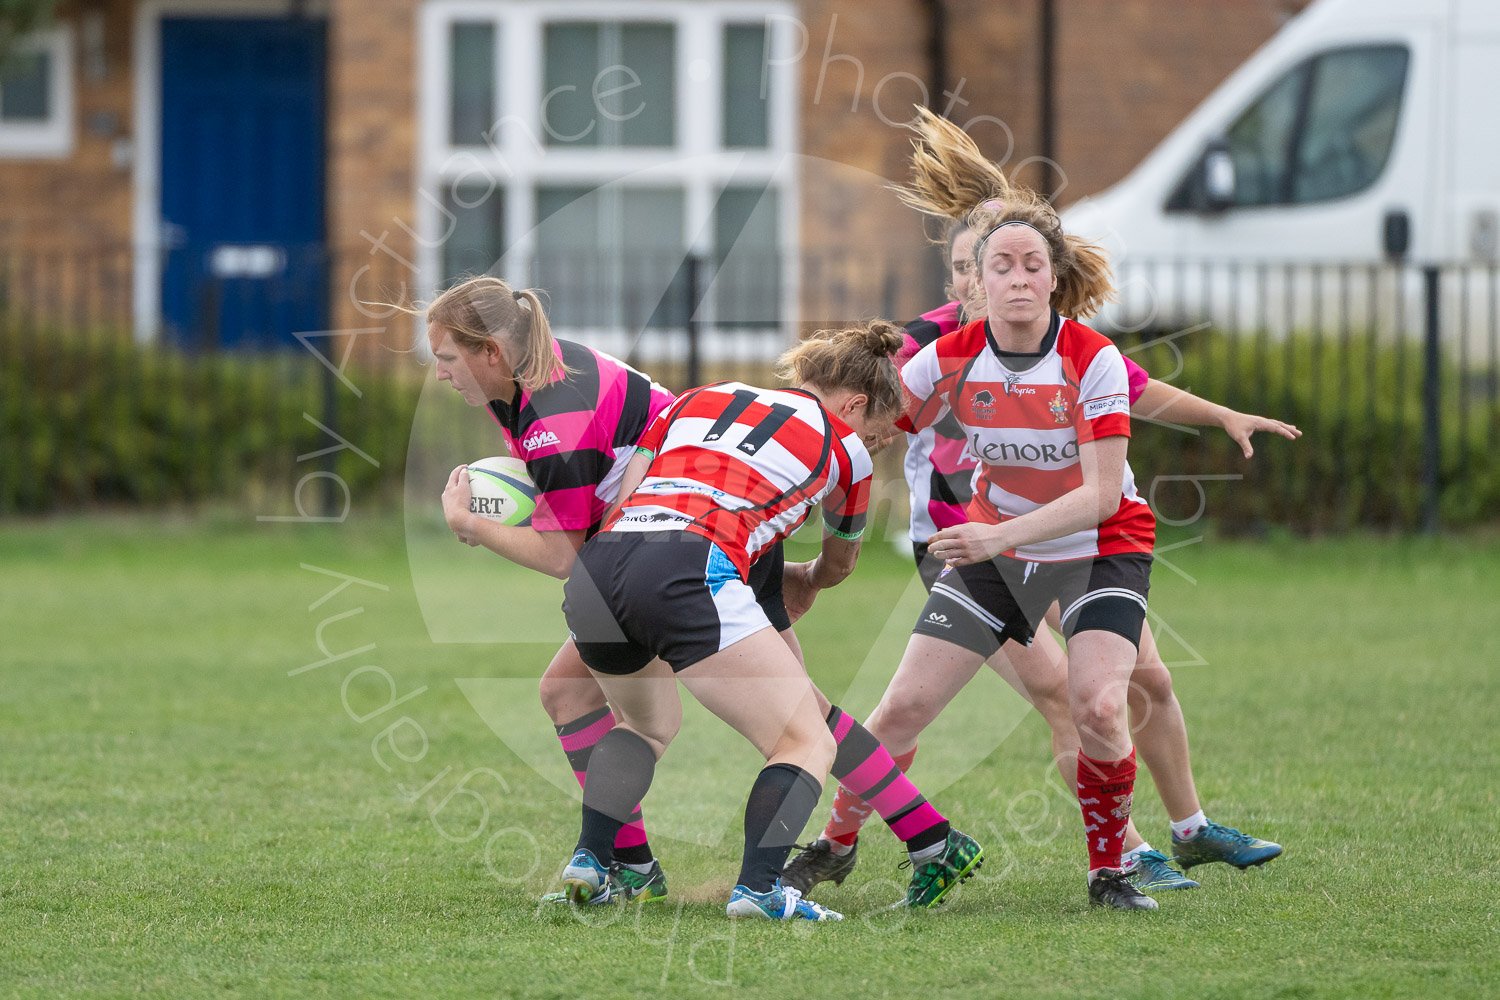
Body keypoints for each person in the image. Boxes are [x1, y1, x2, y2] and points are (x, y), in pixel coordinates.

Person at [786, 111, 1293, 904]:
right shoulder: (931, 352)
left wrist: (1221, 414)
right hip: (973, 546)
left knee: (1130, 690)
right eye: (991, 265)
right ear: (970, 280)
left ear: (1051, 275)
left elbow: (1110, 469)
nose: (1012, 279)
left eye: (1029, 264)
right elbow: (858, 425)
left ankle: (1163, 844)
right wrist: (748, 486)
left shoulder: (1086, 355)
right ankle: (844, 839)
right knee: (1000, 700)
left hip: (1072, 541)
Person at [554, 323, 983, 922]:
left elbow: (629, 492)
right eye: (877, 434)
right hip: (693, 561)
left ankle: (591, 862)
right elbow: (838, 566)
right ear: (854, 405)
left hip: (600, 568)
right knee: (806, 737)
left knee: (643, 728)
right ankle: (759, 890)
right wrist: (803, 578)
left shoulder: (700, 396)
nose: (873, 445)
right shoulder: (846, 450)